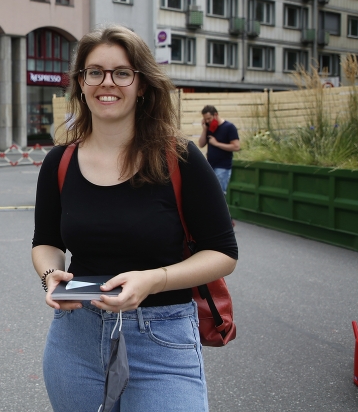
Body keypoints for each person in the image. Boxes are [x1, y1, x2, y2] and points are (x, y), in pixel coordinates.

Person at [31, 25, 238, 412]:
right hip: (77, 337)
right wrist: (50, 275)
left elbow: (223, 252)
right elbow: (46, 241)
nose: (106, 83)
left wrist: (153, 280)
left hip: (163, 337)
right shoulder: (59, 162)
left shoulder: (181, 158)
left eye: (122, 72)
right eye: (94, 72)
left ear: (141, 84)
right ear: (80, 82)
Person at [198, 105, 240, 194]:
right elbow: (201, 144)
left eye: (209, 118)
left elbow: (236, 147)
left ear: (216, 115)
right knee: (209, 193)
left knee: (218, 194)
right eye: (205, 119)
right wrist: (205, 129)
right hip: (210, 165)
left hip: (222, 167)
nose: (207, 121)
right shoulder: (210, 127)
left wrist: (216, 144)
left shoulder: (229, 127)